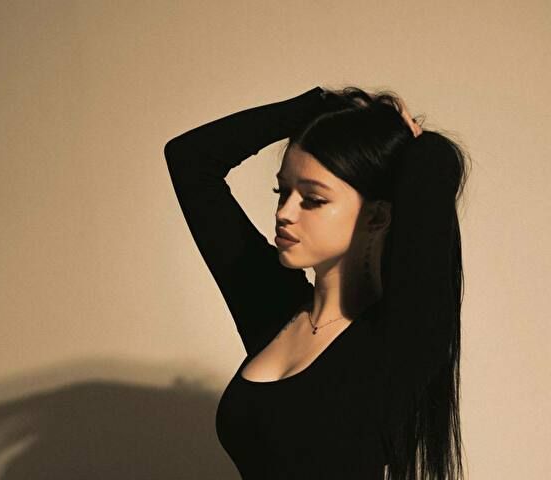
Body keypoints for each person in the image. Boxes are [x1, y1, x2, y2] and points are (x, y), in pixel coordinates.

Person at [163, 86, 469, 479]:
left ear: (377, 217)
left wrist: (421, 149)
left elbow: (435, 172)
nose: (284, 213)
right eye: (283, 191)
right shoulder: (276, 309)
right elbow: (190, 160)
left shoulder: (401, 339)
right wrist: (320, 107)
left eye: (313, 199)